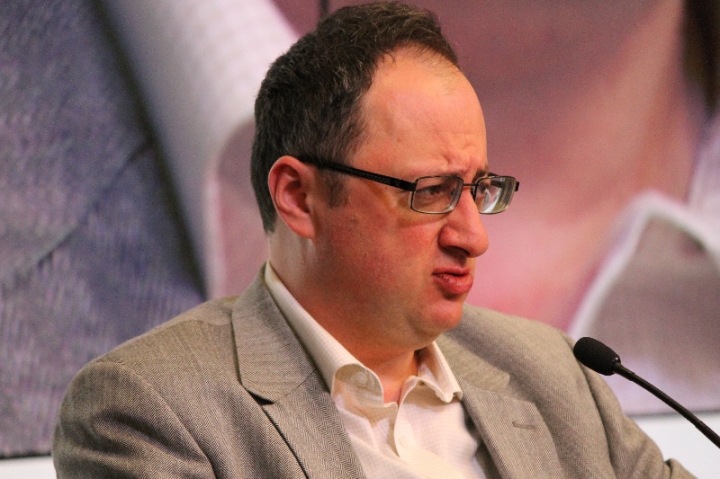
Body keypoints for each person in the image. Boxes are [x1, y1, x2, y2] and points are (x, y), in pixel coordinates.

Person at [53, 3, 694, 477]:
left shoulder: (553, 372)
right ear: (298, 197)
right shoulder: (151, 409)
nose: (473, 237)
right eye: (432, 192)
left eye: (480, 190)